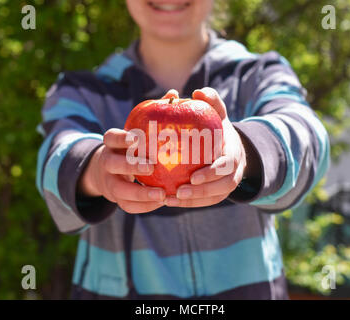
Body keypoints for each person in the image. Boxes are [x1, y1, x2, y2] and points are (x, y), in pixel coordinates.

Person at [36, 0, 330, 299]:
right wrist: (96, 170)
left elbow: (308, 137)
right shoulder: (83, 91)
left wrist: (246, 151)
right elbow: (55, 157)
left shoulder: (257, 74)